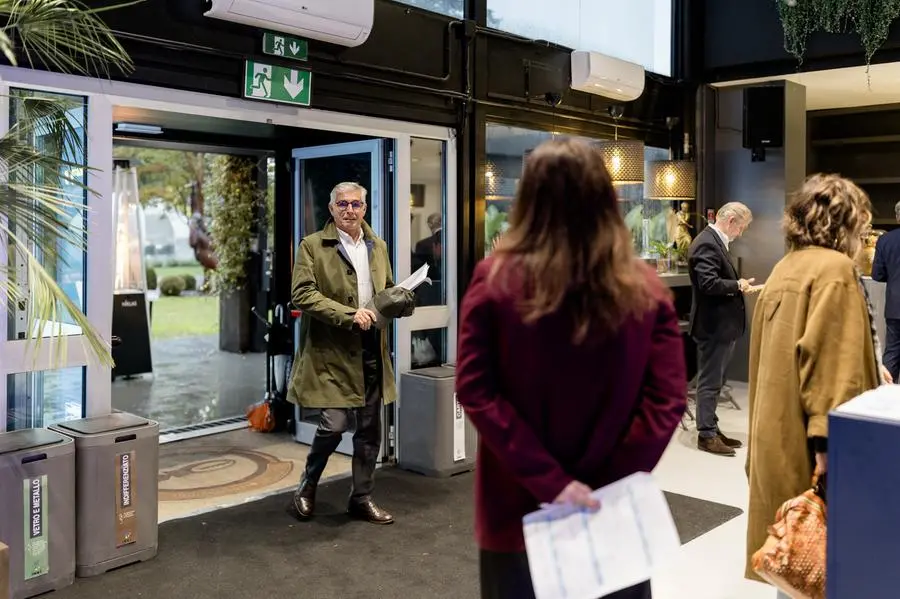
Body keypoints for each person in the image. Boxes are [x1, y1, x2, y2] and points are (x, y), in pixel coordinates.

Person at [455, 139, 687, 599]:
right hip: (612, 510)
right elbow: (667, 400)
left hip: (519, 507)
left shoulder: (495, 278)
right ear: (607, 199)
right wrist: (602, 485)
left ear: (528, 201)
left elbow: (476, 389)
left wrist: (554, 484)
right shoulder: (645, 288)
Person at [745, 174, 890, 594]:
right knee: (823, 564)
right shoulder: (835, 271)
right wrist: (830, 457)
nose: (863, 240)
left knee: (793, 562)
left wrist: (868, 365)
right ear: (844, 223)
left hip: (777, 442)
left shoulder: (785, 267)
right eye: (861, 229)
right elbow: (831, 376)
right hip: (818, 455)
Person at [286, 181, 415, 525]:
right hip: (333, 351)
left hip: (371, 347)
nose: (349, 210)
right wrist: (348, 315)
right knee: (334, 424)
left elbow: (384, 289)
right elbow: (302, 294)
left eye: (355, 204)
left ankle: (361, 497)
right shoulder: (312, 246)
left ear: (364, 208)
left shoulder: (378, 246)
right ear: (331, 209)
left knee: (370, 430)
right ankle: (307, 486)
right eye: (342, 204)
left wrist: (400, 300)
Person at [687, 202, 755, 456]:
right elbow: (708, 283)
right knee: (710, 381)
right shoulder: (706, 242)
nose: (741, 233)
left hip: (721, 327)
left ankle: (711, 428)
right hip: (713, 326)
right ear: (731, 221)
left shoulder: (713, 240)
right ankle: (706, 434)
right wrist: (737, 285)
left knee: (716, 380)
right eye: (742, 228)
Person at [872, 200, 900, 382]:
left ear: (898, 217)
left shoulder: (885, 240)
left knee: (892, 354)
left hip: (895, 307)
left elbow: (877, 275)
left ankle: (884, 399)